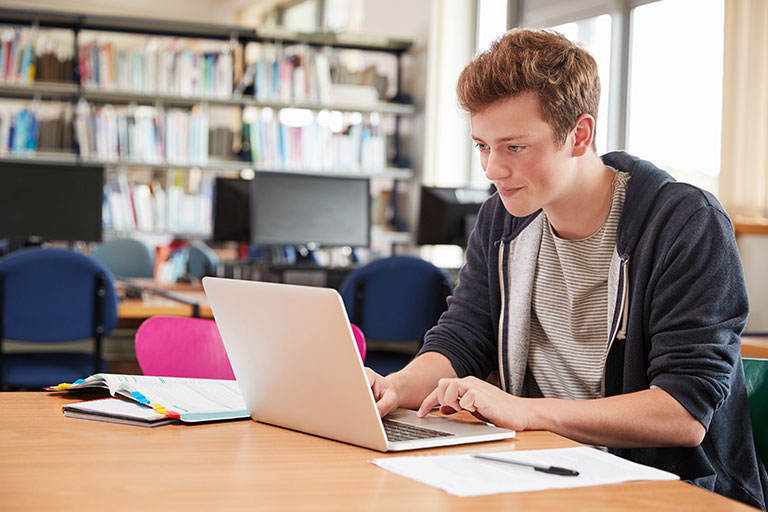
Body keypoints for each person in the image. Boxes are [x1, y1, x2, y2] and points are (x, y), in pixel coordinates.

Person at [365, 28, 768, 509]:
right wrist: (393, 388)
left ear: (579, 135)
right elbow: (463, 336)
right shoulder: (503, 215)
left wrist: (525, 412)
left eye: (514, 147)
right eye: (482, 146)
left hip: (663, 489)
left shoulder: (685, 224)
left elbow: (683, 412)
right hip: (540, 470)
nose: (492, 169)